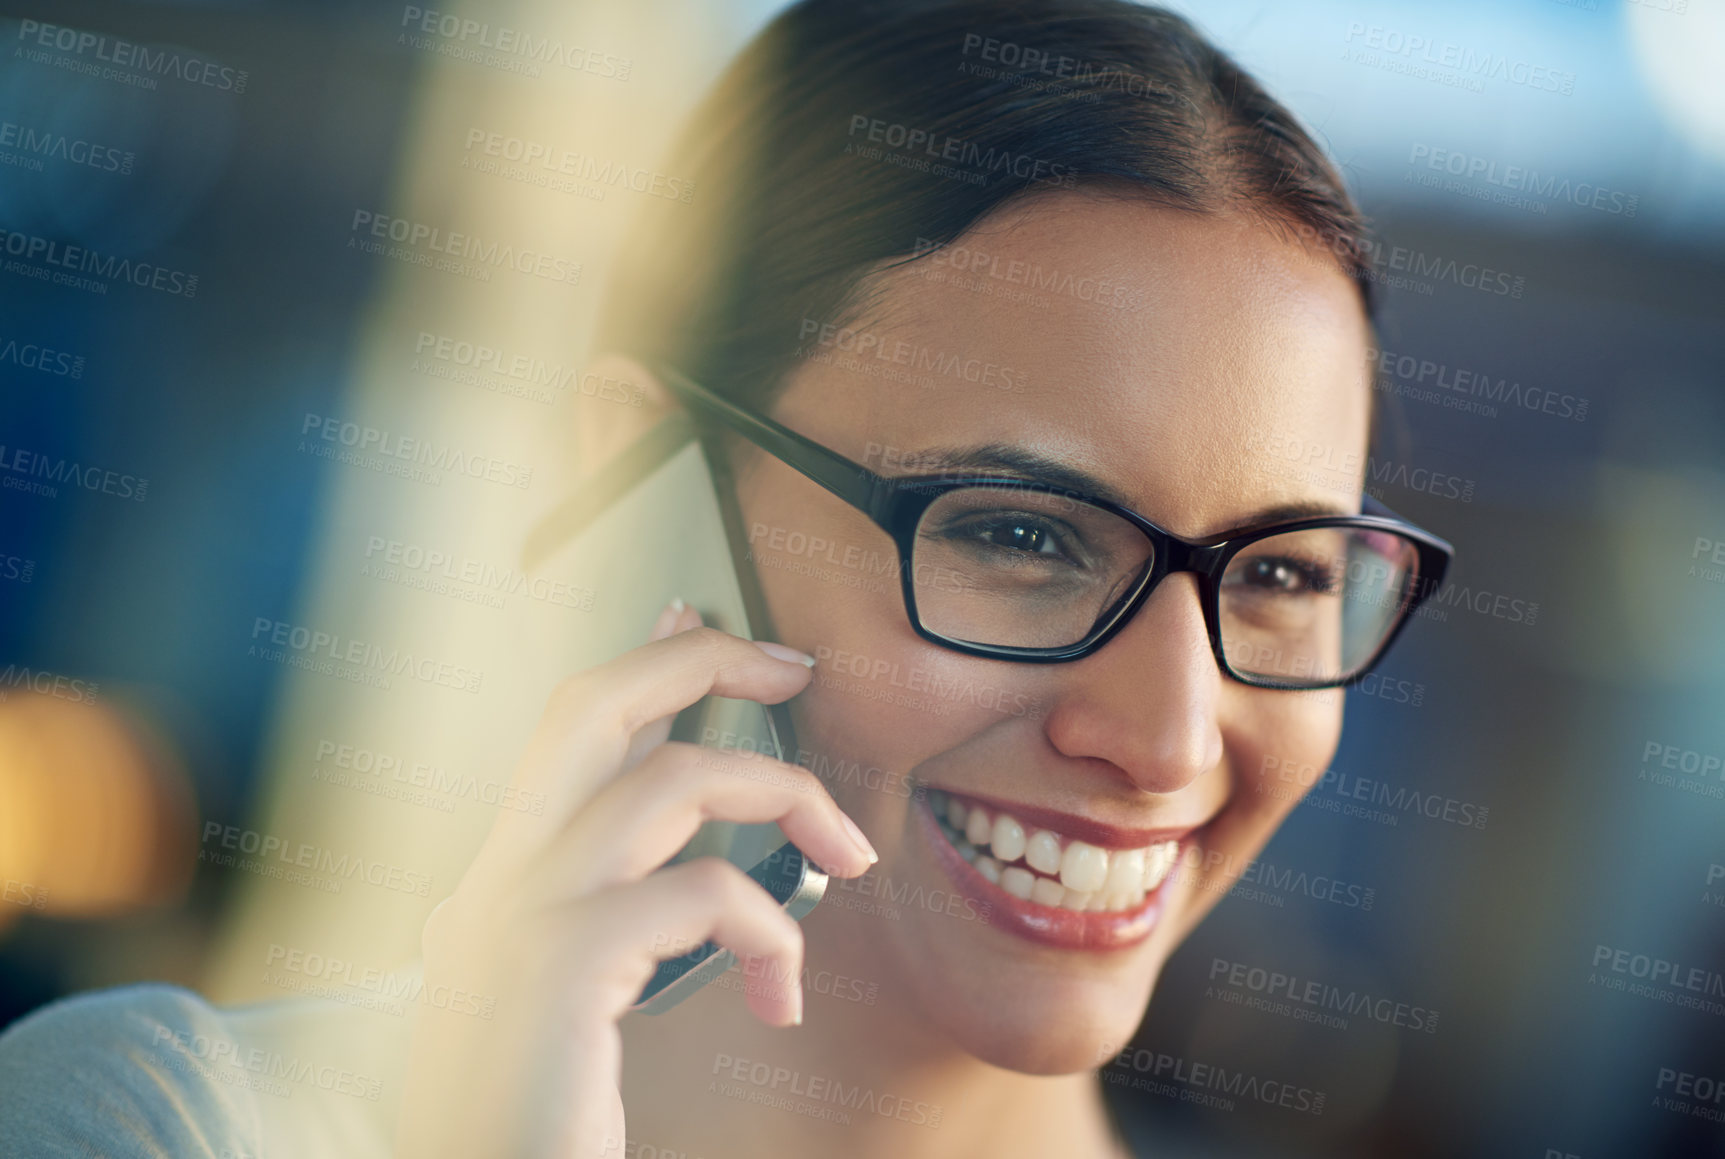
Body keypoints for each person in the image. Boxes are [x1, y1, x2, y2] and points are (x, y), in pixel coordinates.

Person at [0, 1, 1452, 1156]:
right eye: (1020, 535)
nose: (1168, 739)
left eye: (1278, 571)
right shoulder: (161, 1123)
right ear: (645, 479)